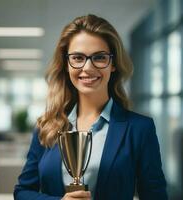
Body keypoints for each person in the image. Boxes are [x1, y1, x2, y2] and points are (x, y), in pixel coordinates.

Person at [14, 14, 167, 200]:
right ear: (66, 64)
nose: (87, 67)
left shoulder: (140, 129)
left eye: (100, 57)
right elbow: (22, 192)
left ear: (113, 64)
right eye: (78, 58)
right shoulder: (46, 126)